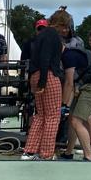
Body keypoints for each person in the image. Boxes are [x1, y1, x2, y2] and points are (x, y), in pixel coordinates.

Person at [60, 30, 91, 159]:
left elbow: (69, 83)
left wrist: (63, 105)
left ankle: (88, 155)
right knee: (72, 118)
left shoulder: (68, 57)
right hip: (87, 86)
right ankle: (69, 152)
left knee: (76, 120)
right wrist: (67, 107)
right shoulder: (71, 53)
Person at [20, 14, 65, 160]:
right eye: (65, 26)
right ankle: (46, 154)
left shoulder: (40, 35)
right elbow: (45, 58)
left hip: (34, 74)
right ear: (60, 24)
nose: (65, 30)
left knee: (40, 116)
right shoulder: (53, 35)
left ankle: (29, 151)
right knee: (52, 117)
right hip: (48, 76)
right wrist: (43, 81)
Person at [56, 12, 91, 161]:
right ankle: (68, 149)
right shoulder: (56, 39)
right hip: (62, 77)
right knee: (69, 117)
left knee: (74, 117)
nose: (65, 30)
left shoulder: (77, 41)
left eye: (67, 27)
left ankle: (87, 152)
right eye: (62, 27)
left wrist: (65, 102)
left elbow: (74, 73)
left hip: (74, 81)